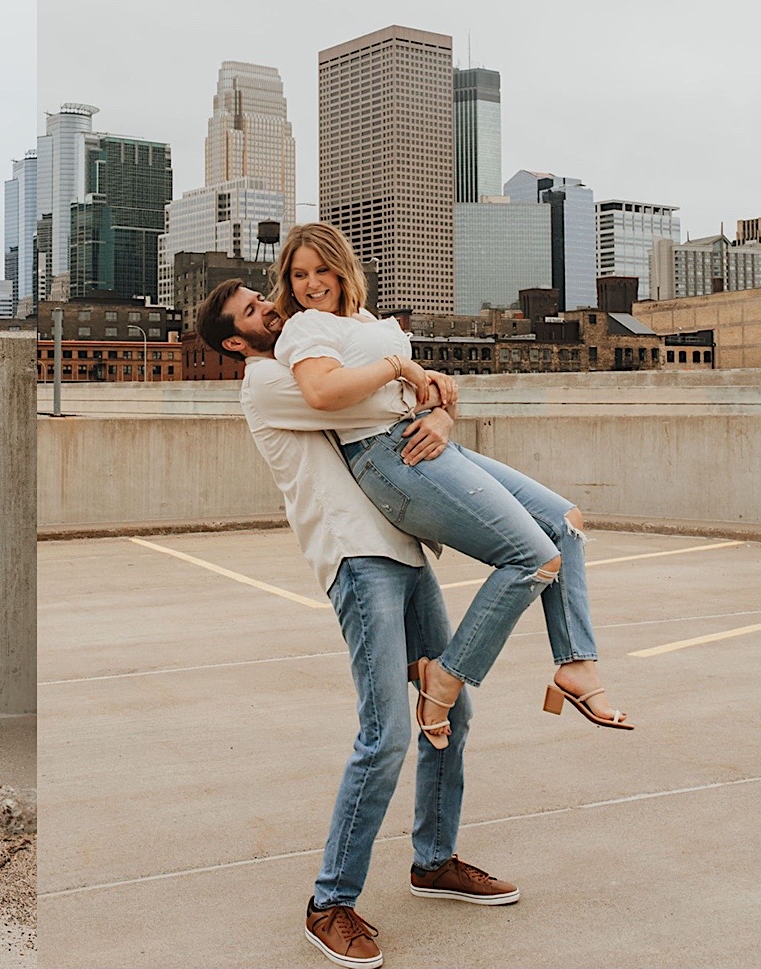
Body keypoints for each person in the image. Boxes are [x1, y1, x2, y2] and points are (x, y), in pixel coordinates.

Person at [196, 278, 518, 969]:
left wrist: (441, 415)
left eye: (263, 296)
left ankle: (433, 860)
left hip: (403, 549)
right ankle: (330, 902)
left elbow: (397, 407)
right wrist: (415, 378)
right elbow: (371, 401)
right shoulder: (266, 381)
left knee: (450, 713)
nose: (269, 307)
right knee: (386, 731)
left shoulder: (309, 351)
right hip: (357, 556)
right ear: (233, 340)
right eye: (252, 311)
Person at [268, 222, 631, 749]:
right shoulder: (307, 329)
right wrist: (400, 365)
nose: (312, 283)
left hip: (424, 441)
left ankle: (577, 664)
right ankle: (446, 678)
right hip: (388, 457)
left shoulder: (363, 321)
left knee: (564, 522)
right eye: (299, 274)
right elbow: (323, 393)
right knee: (533, 559)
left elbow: (427, 391)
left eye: (322, 269)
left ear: (344, 268)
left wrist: (442, 411)